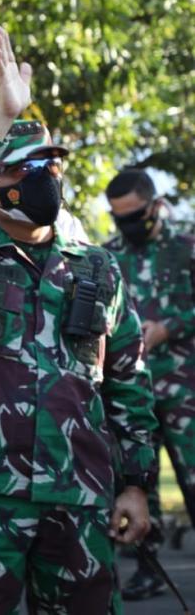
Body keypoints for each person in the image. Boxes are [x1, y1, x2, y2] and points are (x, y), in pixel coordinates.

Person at [0, 27, 157, 613]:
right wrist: (1, 116)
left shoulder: (99, 268)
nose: (42, 178)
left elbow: (128, 383)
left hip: (78, 490)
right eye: (23, 170)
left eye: (50, 166)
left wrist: (135, 484)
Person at [103, 168, 195, 601]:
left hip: (185, 391)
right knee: (141, 482)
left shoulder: (186, 246)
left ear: (155, 205)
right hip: (132, 395)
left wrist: (171, 326)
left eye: (135, 216)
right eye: (119, 218)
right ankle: (149, 567)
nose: (127, 226)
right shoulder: (107, 256)